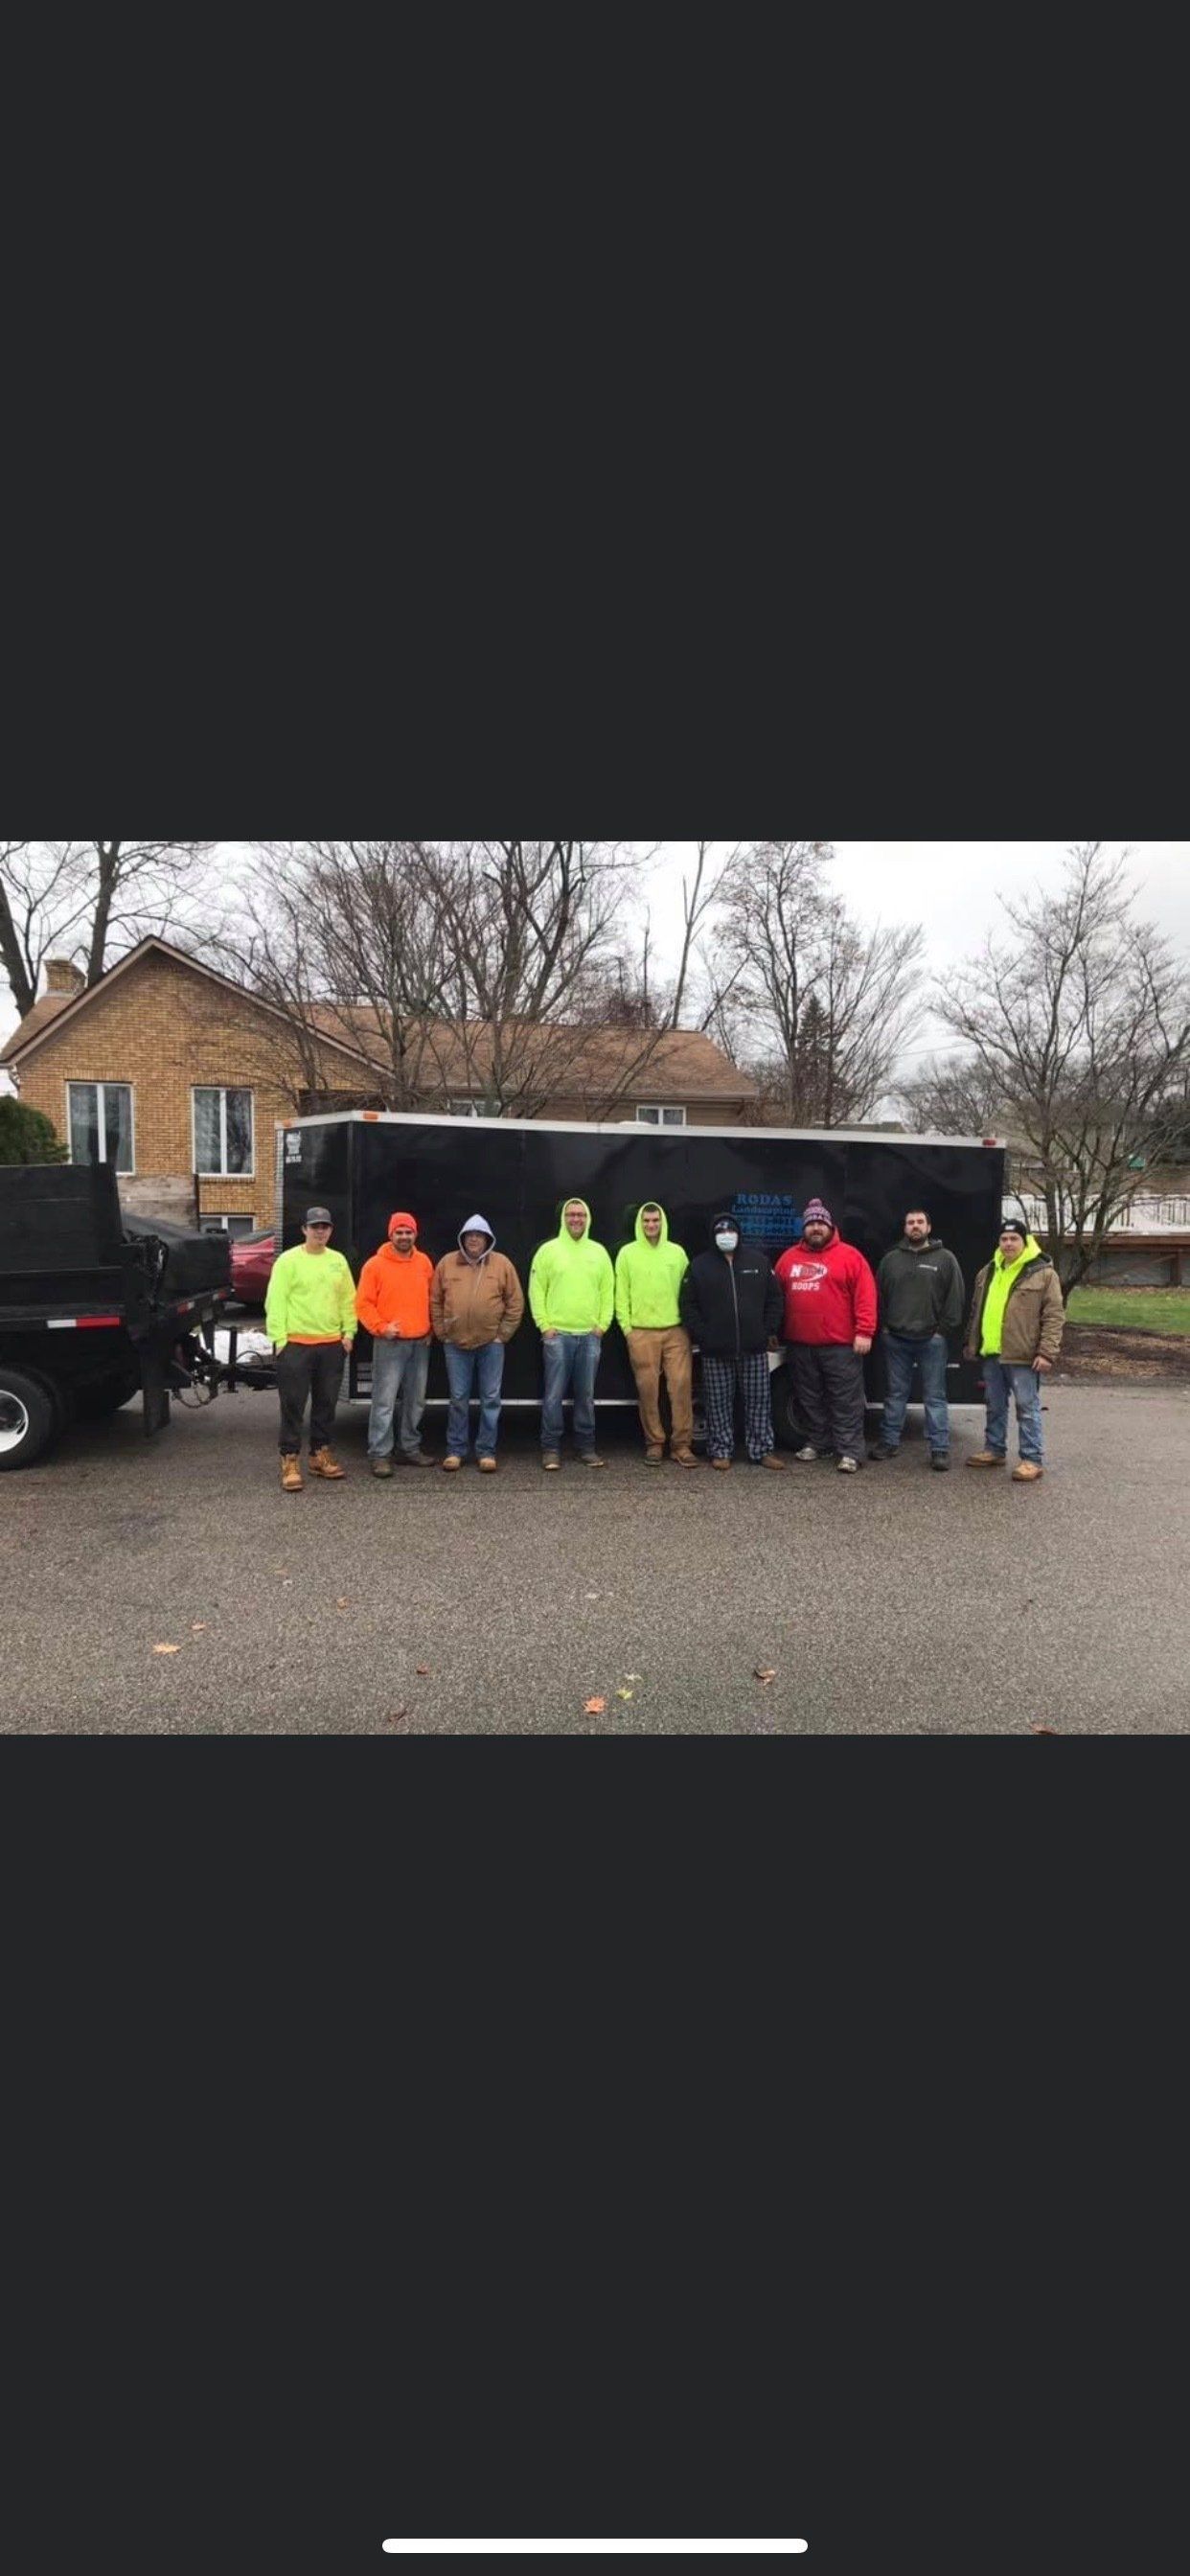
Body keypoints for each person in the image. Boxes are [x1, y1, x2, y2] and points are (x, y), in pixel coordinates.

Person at [776, 1197, 878, 1476]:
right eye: (811, 1224)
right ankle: (818, 1443)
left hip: (840, 1346)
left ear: (830, 1226)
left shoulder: (851, 1257)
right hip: (800, 1345)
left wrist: (864, 1331)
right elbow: (775, 1298)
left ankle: (850, 1452)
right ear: (804, 1229)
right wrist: (775, 1331)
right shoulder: (788, 1259)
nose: (816, 1228)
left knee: (846, 1402)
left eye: (821, 1223)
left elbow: (866, 1297)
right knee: (809, 1399)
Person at [679, 1213, 786, 1471]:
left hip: (754, 1349)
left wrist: (766, 1330)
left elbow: (775, 1299)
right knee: (717, 1404)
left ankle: (762, 1450)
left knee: (759, 1402)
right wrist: (704, 1335)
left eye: (730, 1231)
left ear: (738, 1234)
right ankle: (721, 1451)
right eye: (720, 1232)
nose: (726, 1236)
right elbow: (688, 1305)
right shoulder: (699, 1266)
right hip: (715, 1351)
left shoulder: (758, 1262)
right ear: (713, 1236)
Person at [964, 1219, 1065, 1482]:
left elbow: (1054, 1316)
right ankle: (994, 1449)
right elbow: (976, 1310)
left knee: (1026, 1407)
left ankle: (1032, 1459)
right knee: (994, 1405)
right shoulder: (988, 1271)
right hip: (992, 1352)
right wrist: (971, 1342)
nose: (1008, 1244)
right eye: (1004, 1239)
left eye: (1014, 1239)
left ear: (1025, 1241)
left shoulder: (1043, 1273)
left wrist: (1046, 1352)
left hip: (1023, 1355)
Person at [265, 1206, 357, 1492]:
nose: (320, 1231)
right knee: (293, 1405)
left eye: (324, 1227)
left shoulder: (338, 1261)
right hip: (296, 1345)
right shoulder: (288, 1261)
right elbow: (276, 1300)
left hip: (330, 1344)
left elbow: (348, 1299)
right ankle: (290, 1459)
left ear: (330, 1230)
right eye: (314, 1226)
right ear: (304, 1229)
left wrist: (349, 1332)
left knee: (326, 1404)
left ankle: (319, 1454)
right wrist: (280, 1340)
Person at [871, 1208, 967, 1471]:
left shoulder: (945, 1259)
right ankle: (889, 1442)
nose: (915, 1226)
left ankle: (939, 1449)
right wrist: (885, 1327)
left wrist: (943, 1330)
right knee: (895, 1394)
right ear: (905, 1228)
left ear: (928, 1227)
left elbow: (955, 1297)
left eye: (920, 1222)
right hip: (896, 1339)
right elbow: (877, 1296)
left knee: (934, 1396)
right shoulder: (891, 1260)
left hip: (932, 1341)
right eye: (910, 1222)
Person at [431, 1214, 525, 1473]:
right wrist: (442, 1331)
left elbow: (515, 1302)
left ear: (487, 1239)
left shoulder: (502, 1264)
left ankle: (486, 1452)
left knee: (491, 1399)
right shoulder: (447, 1263)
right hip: (455, 1344)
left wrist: (503, 1334)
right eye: (469, 1235)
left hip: (491, 1345)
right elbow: (435, 1300)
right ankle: (455, 1451)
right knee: (458, 1399)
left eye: (479, 1235)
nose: (474, 1239)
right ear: (462, 1239)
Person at [529, 1199, 616, 1470]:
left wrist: (602, 1326)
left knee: (585, 1396)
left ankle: (585, 1448)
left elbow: (608, 1291)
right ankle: (550, 1449)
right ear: (563, 1218)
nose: (576, 1219)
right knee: (553, 1395)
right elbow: (536, 1290)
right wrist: (544, 1326)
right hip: (557, 1336)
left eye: (580, 1215)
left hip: (590, 1336)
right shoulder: (548, 1251)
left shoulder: (599, 1252)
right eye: (571, 1215)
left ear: (588, 1218)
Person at [614, 1202, 698, 1467]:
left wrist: (688, 1325)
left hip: (675, 1330)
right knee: (648, 1390)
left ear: (663, 1223)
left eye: (655, 1221)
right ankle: (654, 1443)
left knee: (681, 1387)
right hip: (641, 1332)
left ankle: (681, 1445)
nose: (651, 1225)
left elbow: (689, 1291)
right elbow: (621, 1294)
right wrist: (628, 1329)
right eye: (646, 1221)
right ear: (639, 1223)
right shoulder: (627, 1253)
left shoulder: (677, 1253)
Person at [355, 1212, 437, 1477]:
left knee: (416, 1401)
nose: (404, 1237)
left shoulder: (424, 1262)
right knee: (384, 1401)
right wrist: (382, 1327)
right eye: (399, 1232)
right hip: (389, 1343)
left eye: (408, 1232)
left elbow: (432, 1298)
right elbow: (363, 1304)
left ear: (415, 1234)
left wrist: (431, 1329)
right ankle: (380, 1454)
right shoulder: (375, 1265)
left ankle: (409, 1449)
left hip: (420, 1343)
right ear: (390, 1235)